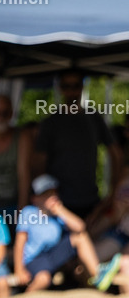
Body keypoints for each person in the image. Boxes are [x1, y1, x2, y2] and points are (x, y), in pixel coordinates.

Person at [34, 70, 122, 219]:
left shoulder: (94, 118)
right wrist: (44, 197)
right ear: (60, 88)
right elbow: (38, 163)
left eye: (75, 86)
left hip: (90, 201)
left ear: (82, 87)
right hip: (58, 204)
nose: (71, 91)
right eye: (66, 86)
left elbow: (115, 153)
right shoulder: (50, 122)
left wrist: (113, 192)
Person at [13, 175, 122, 293]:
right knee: (43, 279)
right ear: (35, 198)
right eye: (46, 194)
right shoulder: (28, 212)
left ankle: (98, 275)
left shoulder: (59, 215)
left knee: (80, 237)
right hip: (33, 260)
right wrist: (19, 269)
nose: (51, 197)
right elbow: (20, 243)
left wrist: (60, 211)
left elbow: (80, 228)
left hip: (53, 257)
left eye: (54, 193)